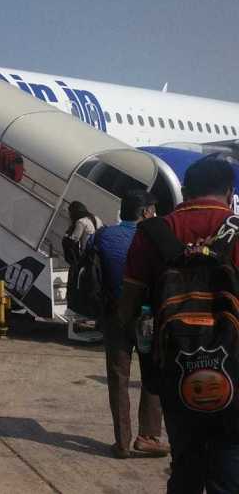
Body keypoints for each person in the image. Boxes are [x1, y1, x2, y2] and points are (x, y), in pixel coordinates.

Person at [121, 156, 239, 492]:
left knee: (185, 463)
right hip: (235, 371)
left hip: (176, 368)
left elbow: (128, 305)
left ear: (185, 192)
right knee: (229, 461)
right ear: (230, 193)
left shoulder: (153, 233)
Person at [94, 190, 168, 459]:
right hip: (147, 316)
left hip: (114, 315)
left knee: (118, 378)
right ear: (146, 212)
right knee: (152, 375)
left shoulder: (102, 236)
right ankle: (148, 437)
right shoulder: (153, 238)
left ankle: (122, 442)